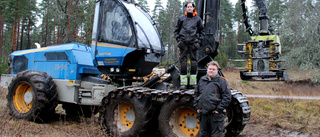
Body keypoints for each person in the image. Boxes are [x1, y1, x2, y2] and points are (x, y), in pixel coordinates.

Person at [194, 61, 231, 137]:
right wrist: (197, 107)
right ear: (207, 70)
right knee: (203, 134)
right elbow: (196, 94)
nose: (211, 70)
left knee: (216, 135)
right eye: (209, 69)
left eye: (213, 69)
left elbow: (227, 97)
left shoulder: (221, 81)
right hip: (203, 114)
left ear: (217, 71)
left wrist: (218, 109)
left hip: (215, 116)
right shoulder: (202, 80)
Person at [174, 1, 205, 89]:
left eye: (190, 7)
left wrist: (199, 42)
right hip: (183, 44)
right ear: (186, 8)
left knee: (194, 63)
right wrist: (178, 40)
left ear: (193, 8)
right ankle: (183, 83)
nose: (189, 8)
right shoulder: (181, 18)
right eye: (187, 7)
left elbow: (202, 32)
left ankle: (193, 83)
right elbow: (176, 31)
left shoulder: (198, 19)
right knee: (183, 64)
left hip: (193, 44)